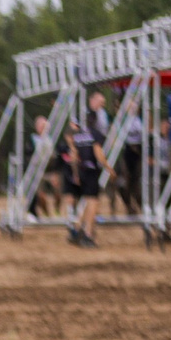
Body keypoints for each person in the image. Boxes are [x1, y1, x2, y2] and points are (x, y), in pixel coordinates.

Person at [67, 94, 106, 247]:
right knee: (92, 202)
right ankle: (87, 234)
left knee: (86, 201)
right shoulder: (94, 133)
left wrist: (75, 172)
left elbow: (73, 151)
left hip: (81, 169)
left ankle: (77, 230)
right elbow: (98, 153)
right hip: (90, 169)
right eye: (100, 101)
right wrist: (109, 169)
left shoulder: (80, 133)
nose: (101, 104)